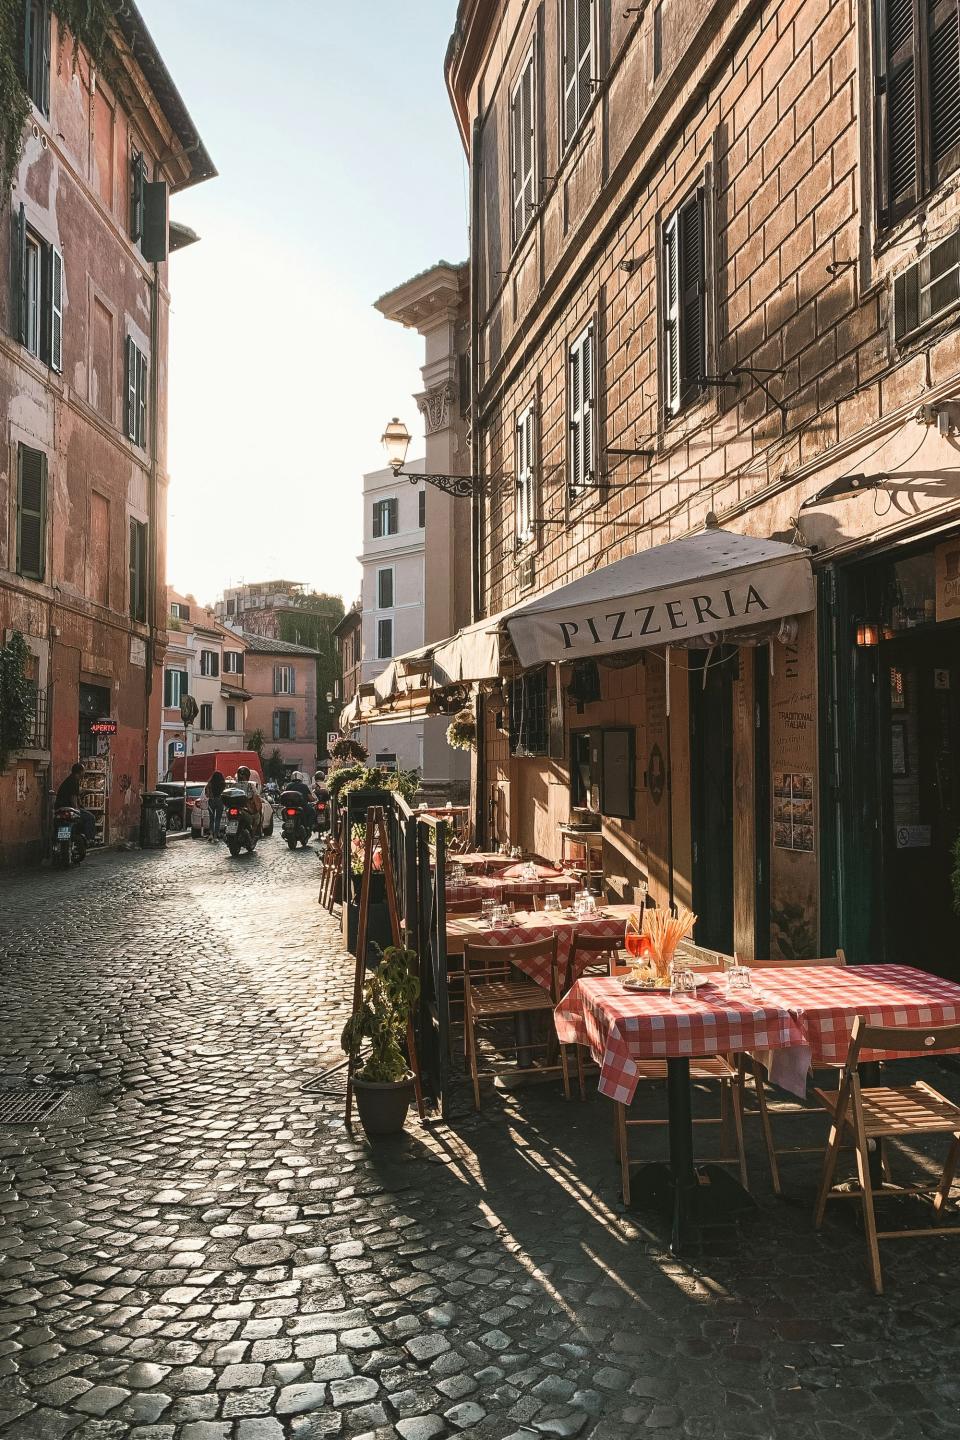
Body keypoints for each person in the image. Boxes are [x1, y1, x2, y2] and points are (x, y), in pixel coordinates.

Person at [54, 763, 96, 841]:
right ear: (80, 772)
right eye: (83, 771)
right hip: (69, 809)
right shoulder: (74, 781)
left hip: (60, 808)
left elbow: (76, 793)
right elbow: (73, 797)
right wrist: (77, 810)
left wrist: (85, 791)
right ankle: (90, 839)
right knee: (91, 818)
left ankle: (66, 838)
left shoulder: (69, 779)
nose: (84, 772)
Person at [235, 764, 263, 831]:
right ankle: (253, 833)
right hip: (246, 807)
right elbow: (256, 795)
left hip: (236, 807)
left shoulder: (234, 785)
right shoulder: (251, 785)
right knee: (257, 817)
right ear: (248, 775)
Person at [205, 769, 226, 840]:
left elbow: (206, 794)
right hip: (220, 801)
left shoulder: (210, 784)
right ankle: (216, 835)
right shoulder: (222, 783)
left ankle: (211, 833)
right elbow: (225, 793)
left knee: (211, 818)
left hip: (211, 801)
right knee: (218, 819)